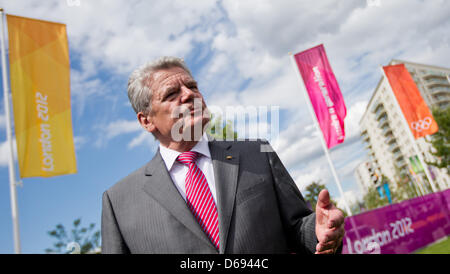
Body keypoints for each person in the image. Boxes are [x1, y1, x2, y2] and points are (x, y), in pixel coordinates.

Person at [101, 56, 345, 254]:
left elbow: (298, 229)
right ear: (146, 120)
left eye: (193, 86)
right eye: (171, 94)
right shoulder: (119, 202)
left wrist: (318, 230)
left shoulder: (257, 154)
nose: (189, 94)